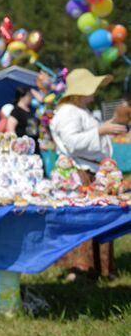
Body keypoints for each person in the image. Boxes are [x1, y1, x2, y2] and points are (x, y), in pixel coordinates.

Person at [50, 68, 127, 280]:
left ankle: (99, 268)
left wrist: (106, 127)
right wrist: (101, 131)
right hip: (78, 172)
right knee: (81, 219)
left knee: (98, 219)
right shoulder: (68, 112)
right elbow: (73, 143)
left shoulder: (81, 110)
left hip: (91, 169)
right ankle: (80, 269)